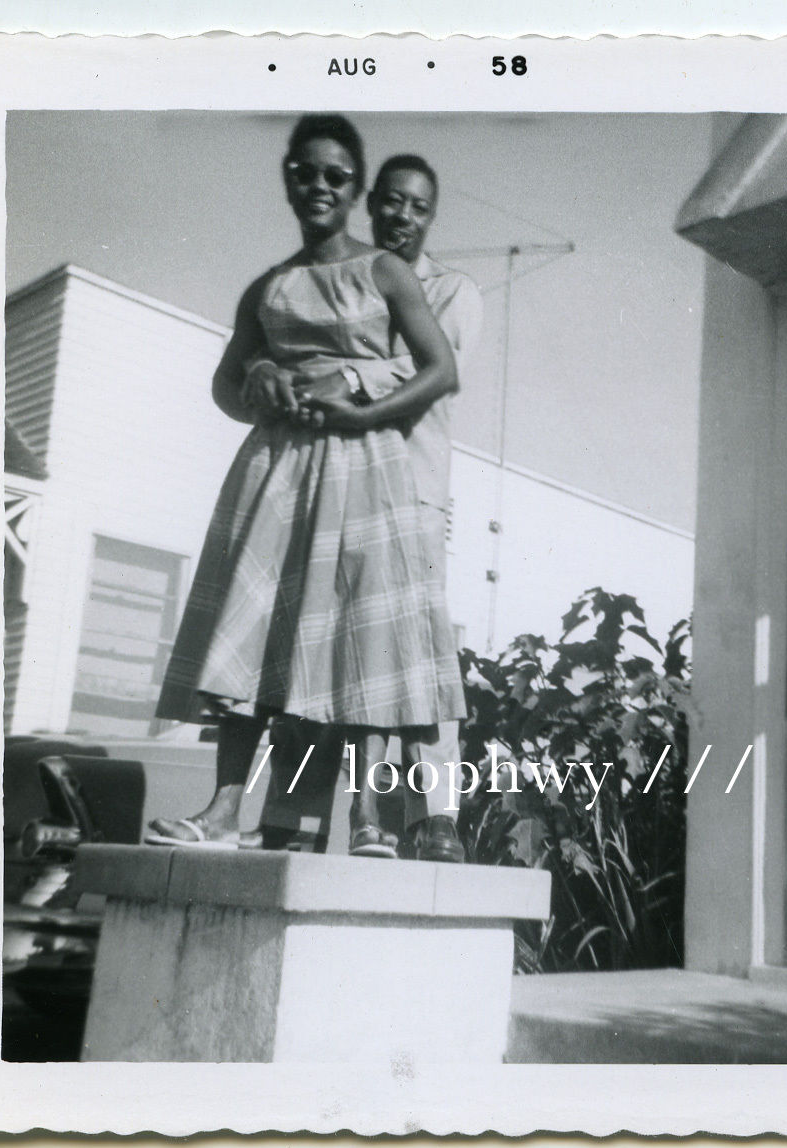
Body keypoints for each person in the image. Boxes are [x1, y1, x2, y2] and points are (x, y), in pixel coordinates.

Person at [147, 115, 464, 858]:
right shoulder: (269, 286)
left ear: (355, 189)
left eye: (335, 176)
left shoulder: (386, 270)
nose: (319, 186)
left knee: (358, 639)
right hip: (278, 472)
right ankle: (224, 811)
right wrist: (257, 379)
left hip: (363, 469)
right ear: (289, 177)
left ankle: (368, 822)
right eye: (306, 172)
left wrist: (362, 412)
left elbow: (441, 370)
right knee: (250, 635)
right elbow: (225, 385)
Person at [250, 154, 482, 863]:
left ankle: (429, 815)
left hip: (409, 493)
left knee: (411, 656)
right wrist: (270, 369)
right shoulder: (339, 281)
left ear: (430, 217)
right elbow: (282, 351)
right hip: (333, 489)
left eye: (417, 206)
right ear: (370, 204)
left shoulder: (448, 289)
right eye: (391, 202)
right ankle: (292, 819)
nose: (402, 217)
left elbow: (428, 369)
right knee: (311, 650)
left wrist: (341, 372)